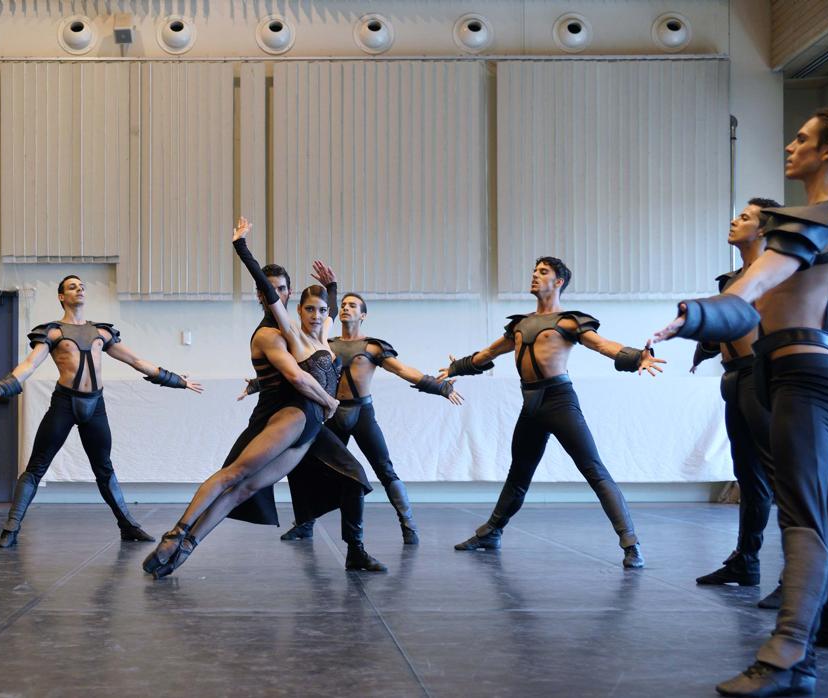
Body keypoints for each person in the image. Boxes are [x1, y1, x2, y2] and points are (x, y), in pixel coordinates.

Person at [654, 107, 828, 696]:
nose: (792, 145)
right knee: (822, 508)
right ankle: (827, 622)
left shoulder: (820, 214)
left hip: (805, 374)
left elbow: (753, 289)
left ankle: (788, 656)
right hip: (801, 371)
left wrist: (696, 316)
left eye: (803, 138)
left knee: (803, 514)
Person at [142, 217, 383, 578]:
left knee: (248, 488)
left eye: (320, 311)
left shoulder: (325, 335)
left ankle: (185, 551)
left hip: (311, 431)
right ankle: (175, 535)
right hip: (297, 417)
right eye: (308, 310)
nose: (317, 315)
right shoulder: (288, 335)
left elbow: (329, 311)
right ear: (294, 311)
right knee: (234, 475)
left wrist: (332, 286)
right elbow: (292, 366)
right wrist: (242, 248)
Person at [441, 256, 662, 569]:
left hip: (559, 401)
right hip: (530, 404)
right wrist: (457, 367)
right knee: (518, 474)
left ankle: (631, 543)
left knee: (594, 471)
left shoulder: (568, 321)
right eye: (533, 271)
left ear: (558, 282)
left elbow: (603, 345)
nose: (535, 276)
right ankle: (491, 532)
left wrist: (637, 356)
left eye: (543, 272)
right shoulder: (519, 324)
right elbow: (488, 353)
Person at [0, 274, 203, 547]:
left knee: (104, 469)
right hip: (64, 405)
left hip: (95, 406)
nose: (80, 289)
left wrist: (178, 380)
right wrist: (0, 387)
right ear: (62, 296)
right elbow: (29, 365)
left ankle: (128, 526)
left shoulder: (101, 332)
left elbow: (136, 361)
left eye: (82, 286)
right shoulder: (53, 332)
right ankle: (11, 529)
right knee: (37, 467)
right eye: (73, 287)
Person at [275, 291, 463, 545]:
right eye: (342, 305)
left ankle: (409, 525)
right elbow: (294, 370)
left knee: (384, 468)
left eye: (352, 305)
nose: (346, 308)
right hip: (333, 413)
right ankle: (305, 524)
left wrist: (439, 387)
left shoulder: (372, 347)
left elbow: (403, 370)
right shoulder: (325, 345)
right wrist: (256, 384)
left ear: (363, 315)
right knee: (309, 467)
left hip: (362, 413)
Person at [690, 198, 780, 591]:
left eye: (745, 217)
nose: (734, 220)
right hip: (733, 379)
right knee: (749, 476)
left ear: (763, 229)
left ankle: (797, 577)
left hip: (763, 378)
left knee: (782, 478)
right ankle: (746, 560)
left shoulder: (777, 274)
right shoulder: (731, 281)